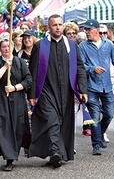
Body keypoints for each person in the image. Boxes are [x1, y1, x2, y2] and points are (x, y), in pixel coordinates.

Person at [28, 14, 88, 167]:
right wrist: (32, 94)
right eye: (54, 25)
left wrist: (83, 89)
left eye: (60, 25)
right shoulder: (40, 45)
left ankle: (59, 152)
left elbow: (80, 68)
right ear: (49, 27)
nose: (58, 27)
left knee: (63, 122)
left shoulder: (72, 45)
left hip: (66, 91)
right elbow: (33, 71)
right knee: (51, 119)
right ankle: (55, 151)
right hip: (46, 91)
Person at [79, 19, 114, 155]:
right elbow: (81, 66)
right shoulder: (82, 46)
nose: (86, 32)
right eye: (85, 30)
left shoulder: (108, 44)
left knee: (109, 114)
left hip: (107, 87)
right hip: (91, 87)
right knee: (95, 118)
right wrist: (93, 69)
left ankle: (101, 132)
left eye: (89, 30)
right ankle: (96, 145)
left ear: (97, 30)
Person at [0, 39, 32, 171]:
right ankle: (9, 158)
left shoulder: (20, 62)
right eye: (4, 47)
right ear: (0, 49)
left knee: (18, 126)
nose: (6, 49)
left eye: (8, 46)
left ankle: (18, 149)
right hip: (0, 99)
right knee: (3, 126)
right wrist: (5, 66)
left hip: (16, 98)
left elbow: (28, 79)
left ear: (12, 47)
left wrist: (15, 87)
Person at [63, 22, 93, 136]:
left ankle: (72, 138)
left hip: (78, 83)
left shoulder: (80, 47)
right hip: (65, 83)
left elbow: (82, 67)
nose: (71, 35)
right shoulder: (62, 47)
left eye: (73, 33)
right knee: (70, 112)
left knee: (75, 111)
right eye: (69, 33)